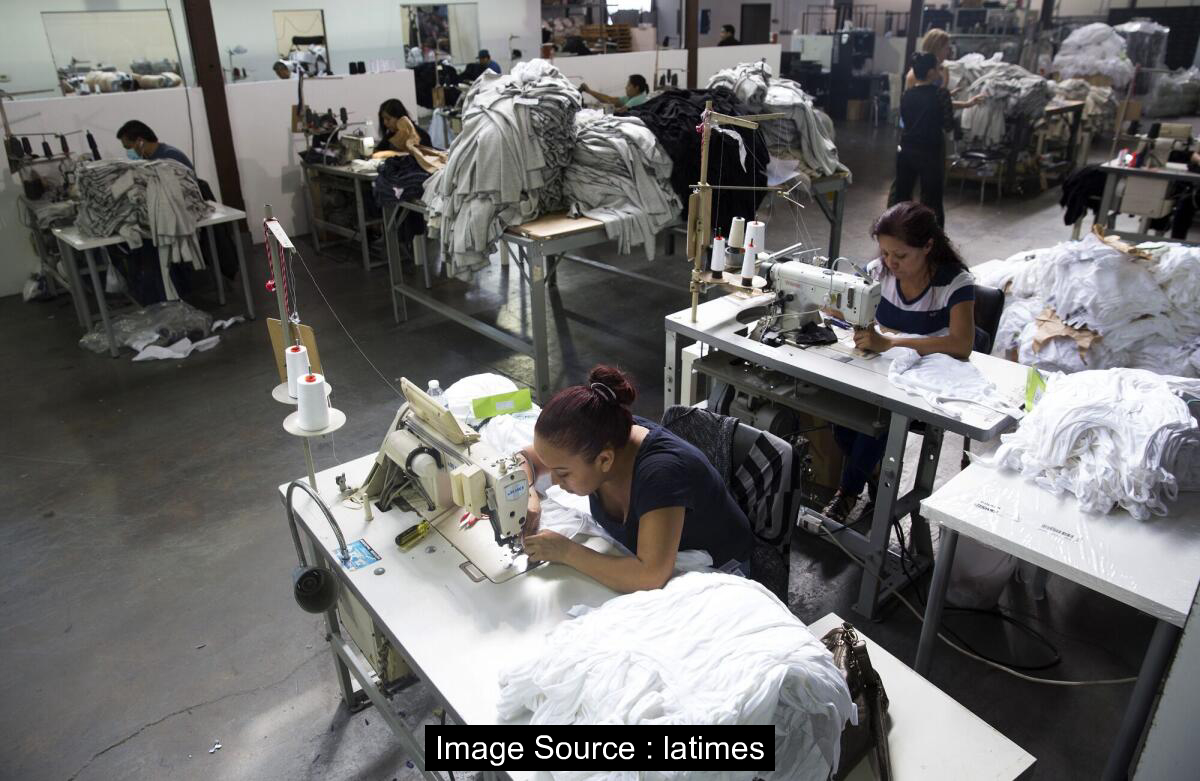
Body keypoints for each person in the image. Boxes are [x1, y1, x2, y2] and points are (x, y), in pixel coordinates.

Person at [520, 366, 755, 593]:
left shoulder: (661, 475)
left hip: (719, 572)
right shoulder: (602, 435)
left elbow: (649, 576)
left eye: (562, 473)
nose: (554, 480)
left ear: (605, 460)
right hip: (654, 560)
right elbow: (524, 459)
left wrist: (565, 552)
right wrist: (528, 495)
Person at [822, 202, 980, 522]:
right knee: (837, 409)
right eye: (885, 253)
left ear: (928, 246)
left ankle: (848, 492)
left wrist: (891, 342)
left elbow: (962, 344)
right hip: (878, 371)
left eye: (901, 255)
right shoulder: (878, 272)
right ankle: (874, 473)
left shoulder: (954, 282)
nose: (891, 262)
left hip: (924, 383)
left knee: (877, 421)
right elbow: (848, 308)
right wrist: (828, 304)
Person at [890, 53, 954, 227]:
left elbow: (906, 120)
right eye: (938, 68)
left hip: (907, 150)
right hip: (930, 151)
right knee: (932, 200)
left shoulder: (906, 95)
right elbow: (948, 124)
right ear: (931, 72)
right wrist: (945, 85)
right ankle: (933, 236)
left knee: (902, 196)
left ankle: (898, 232)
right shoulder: (941, 94)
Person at [116, 120, 194, 169]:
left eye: (128, 147)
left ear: (140, 141)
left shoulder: (170, 157)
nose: (128, 152)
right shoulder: (147, 160)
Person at [580, 75, 651, 113]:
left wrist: (596, 109)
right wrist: (589, 91)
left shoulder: (638, 100)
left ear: (636, 88)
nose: (626, 87)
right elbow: (610, 100)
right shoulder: (631, 97)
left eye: (629, 85)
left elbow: (619, 112)